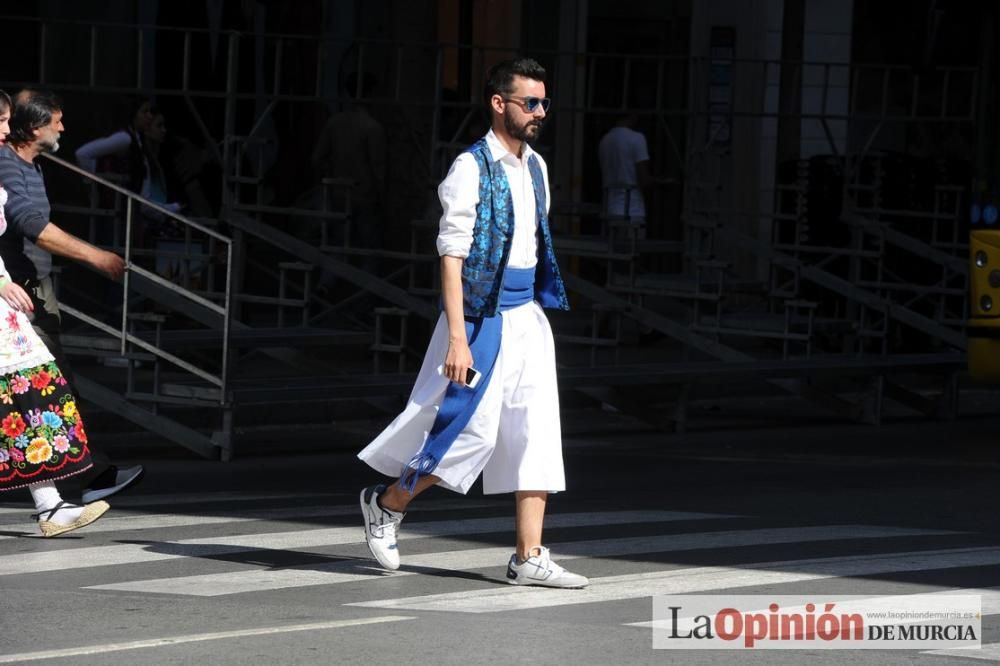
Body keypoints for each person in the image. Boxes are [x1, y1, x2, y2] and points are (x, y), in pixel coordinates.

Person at [357, 58, 588, 588]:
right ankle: (387, 502)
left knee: (537, 433)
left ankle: (528, 556)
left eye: (544, 103)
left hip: (526, 316)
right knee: (470, 433)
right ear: (498, 103)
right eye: (530, 103)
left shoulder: (537, 167)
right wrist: (457, 337)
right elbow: (452, 255)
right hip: (481, 319)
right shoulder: (470, 167)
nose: (539, 112)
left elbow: (531, 243)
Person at [0, 88, 143, 504]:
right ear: (34, 127)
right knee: (46, 387)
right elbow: (31, 226)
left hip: (30, 290)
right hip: (17, 295)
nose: (63, 127)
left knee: (46, 388)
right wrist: (96, 257)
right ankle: (85, 479)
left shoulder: (30, 166)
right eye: (56, 120)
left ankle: (76, 481)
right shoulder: (7, 166)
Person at [311, 72, 386, 277]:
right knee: (367, 249)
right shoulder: (372, 127)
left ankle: (327, 285)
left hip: (338, 192)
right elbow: (378, 168)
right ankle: (363, 295)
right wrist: (382, 198)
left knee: (338, 243)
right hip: (365, 195)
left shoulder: (335, 122)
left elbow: (317, 158)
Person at [598, 113, 655, 235]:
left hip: (610, 208)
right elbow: (643, 177)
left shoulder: (605, 140)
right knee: (633, 249)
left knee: (613, 249)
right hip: (633, 210)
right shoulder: (637, 139)